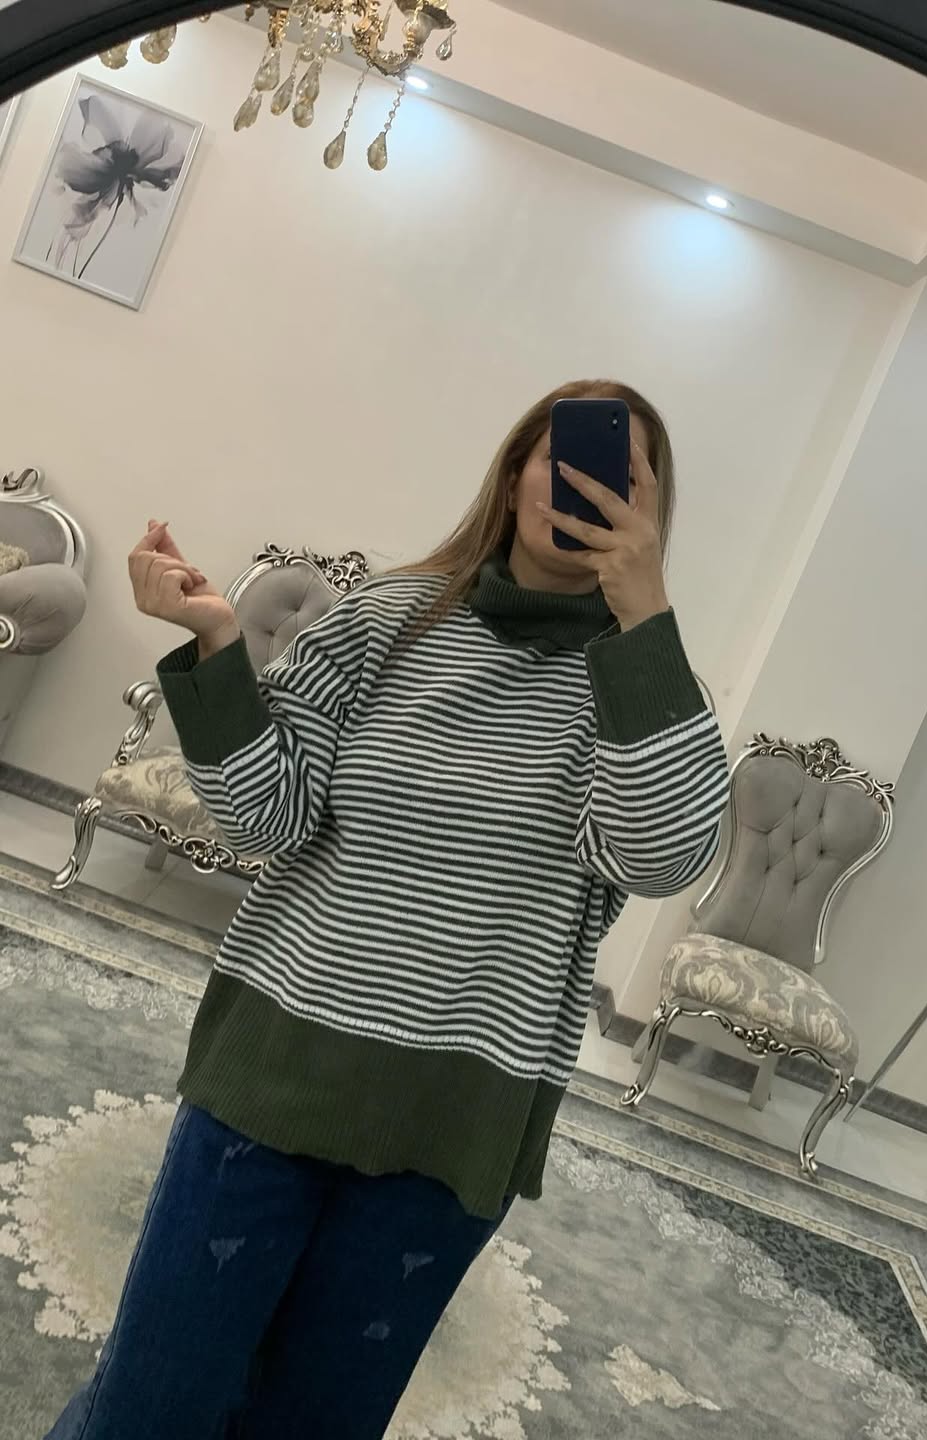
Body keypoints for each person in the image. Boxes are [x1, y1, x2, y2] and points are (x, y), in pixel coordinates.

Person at [45, 379, 730, 1440]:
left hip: (451, 1121)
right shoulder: (387, 619)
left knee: (316, 1421)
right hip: (275, 1070)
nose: (580, 485)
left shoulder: (643, 686)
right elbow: (264, 820)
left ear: (650, 506)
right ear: (514, 473)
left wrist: (646, 620)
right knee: (152, 1407)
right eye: (558, 458)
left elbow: (661, 854)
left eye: (616, 473)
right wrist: (217, 643)